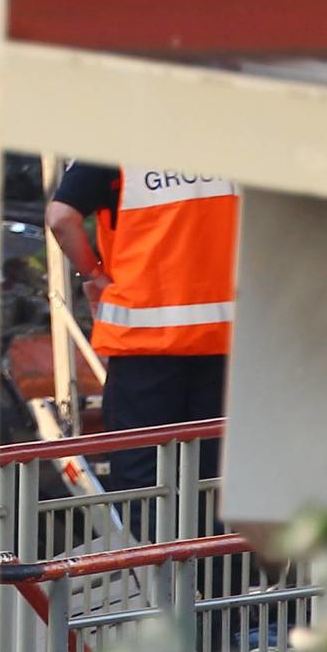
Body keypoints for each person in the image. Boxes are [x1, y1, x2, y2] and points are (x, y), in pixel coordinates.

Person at [44, 163, 238, 494]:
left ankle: (154, 547)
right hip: (227, 339)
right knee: (215, 483)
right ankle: (216, 547)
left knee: (144, 488)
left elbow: (61, 218)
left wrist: (94, 276)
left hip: (143, 344)